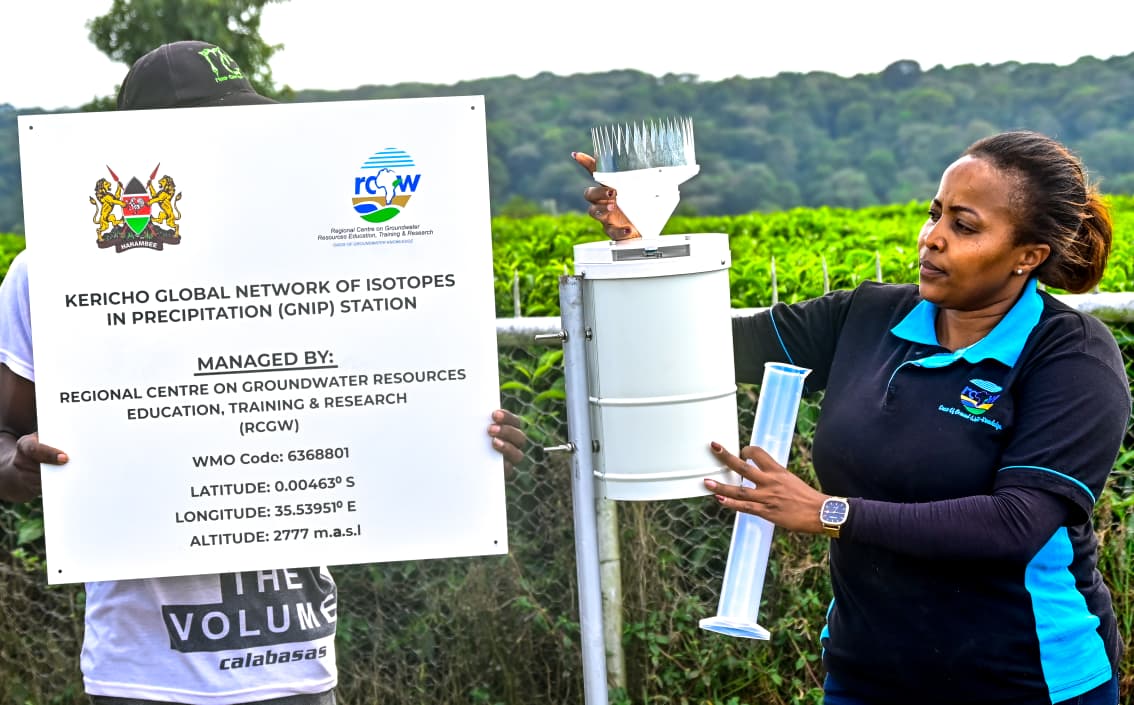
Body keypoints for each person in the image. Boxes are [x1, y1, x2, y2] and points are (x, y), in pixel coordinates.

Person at [0, 41, 526, 705]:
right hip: (143, 677)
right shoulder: (50, 271)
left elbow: (381, 409)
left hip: (296, 663)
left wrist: (467, 450)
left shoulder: (313, 256)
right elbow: (6, 438)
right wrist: (20, 469)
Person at [575, 130, 1129, 704]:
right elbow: (695, 345)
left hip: (1024, 681)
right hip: (866, 675)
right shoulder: (865, 318)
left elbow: (1015, 524)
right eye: (935, 214)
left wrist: (828, 512)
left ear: (1028, 257)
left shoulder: (1070, 356)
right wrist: (643, 250)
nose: (932, 239)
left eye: (963, 226)